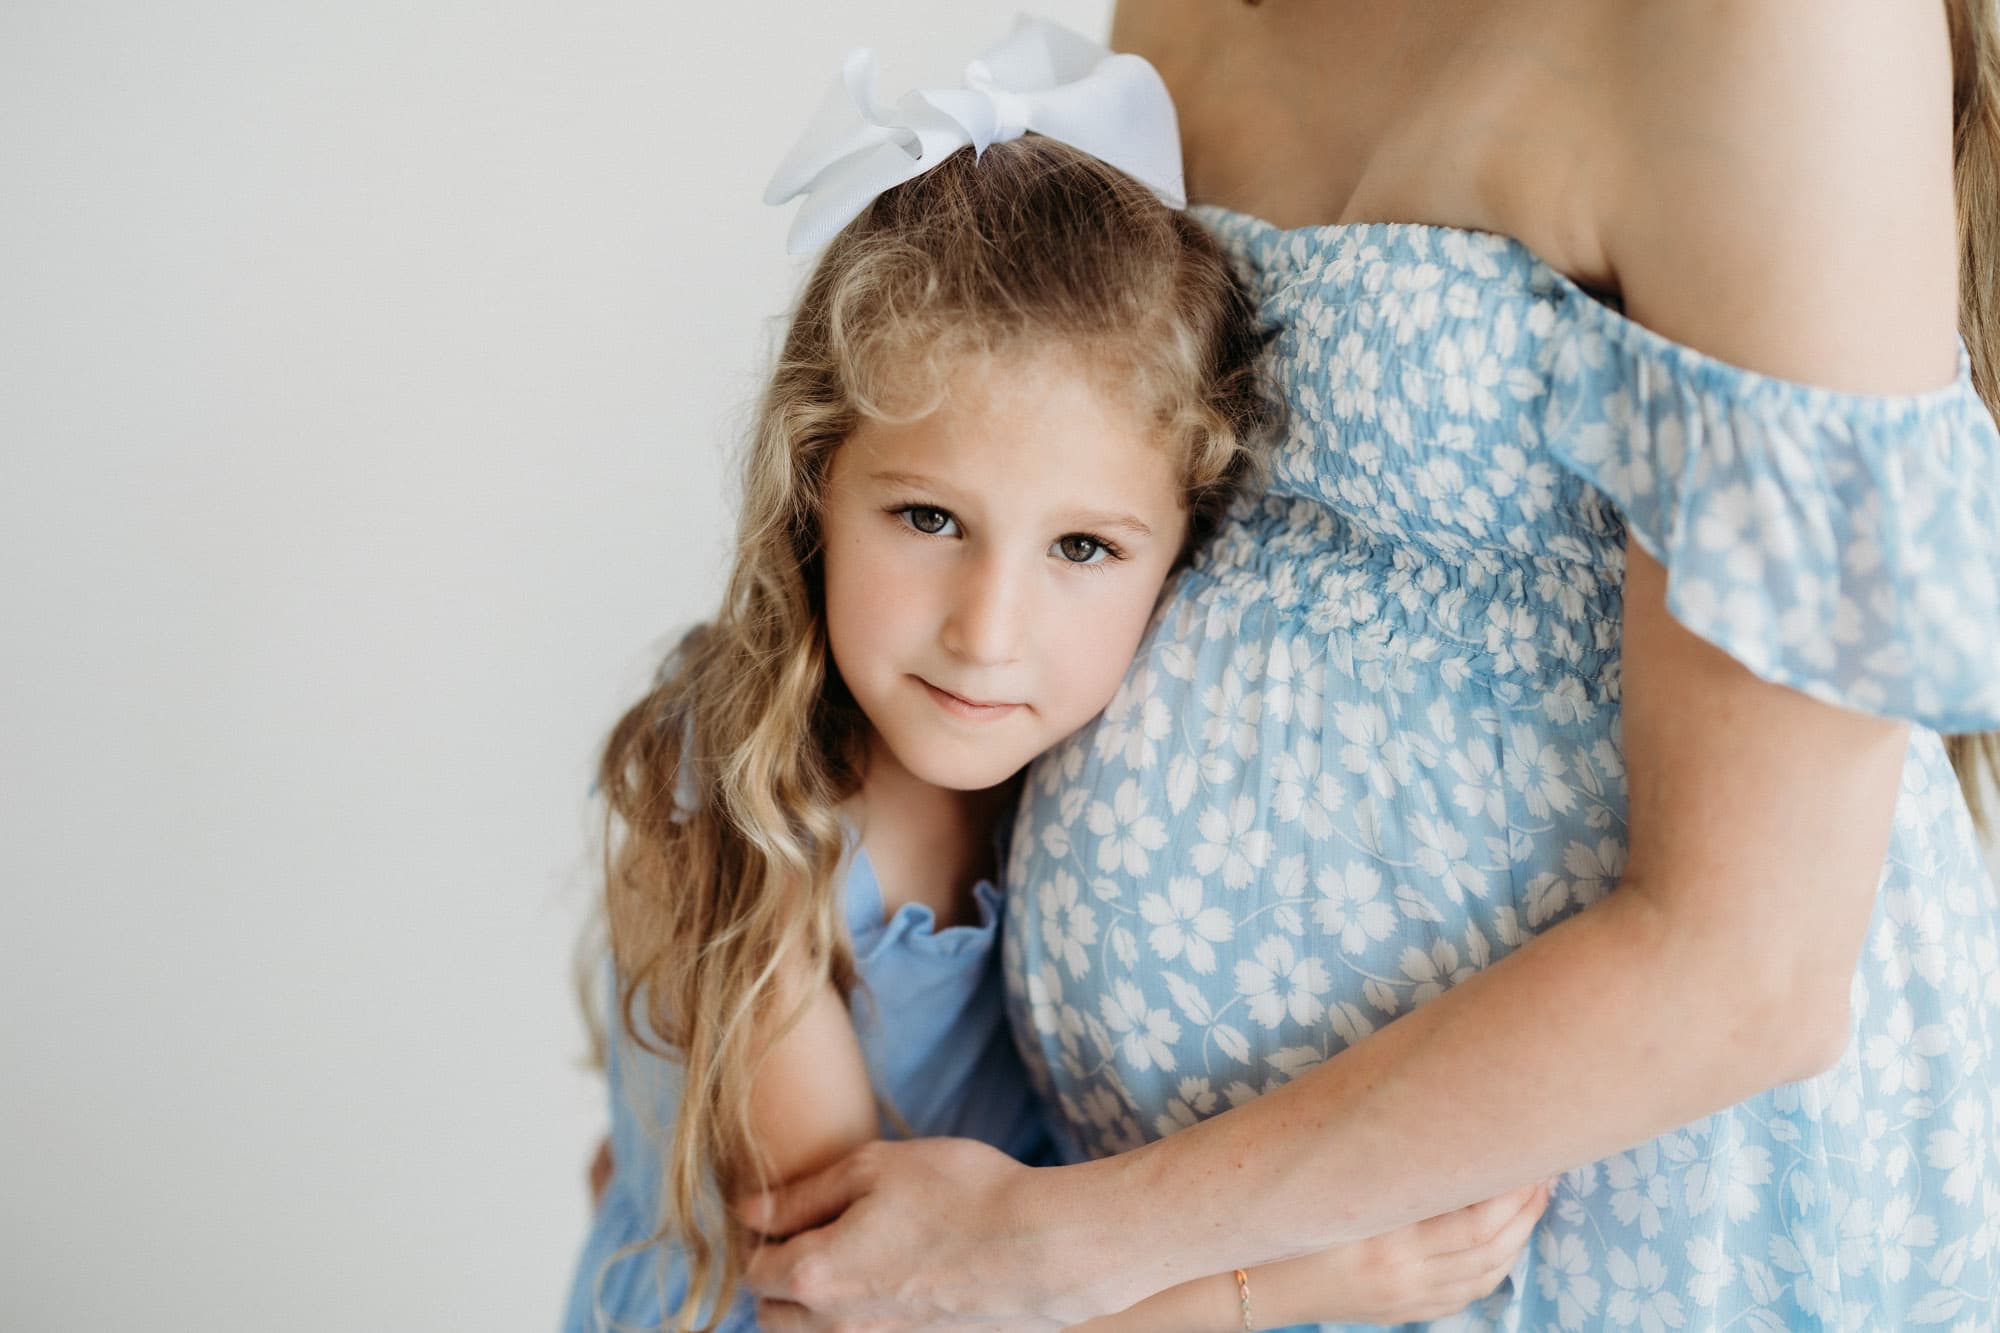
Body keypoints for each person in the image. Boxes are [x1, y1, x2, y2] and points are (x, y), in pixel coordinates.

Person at [742, 2, 2000, 1329]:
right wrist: (734, 1004)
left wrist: (1069, 1245)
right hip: (1163, 1234)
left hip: (1594, 1229)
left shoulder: (1778, 25)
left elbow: (1751, 973)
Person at [563, 24, 1553, 1332]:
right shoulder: (756, 831)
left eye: (1082, 546)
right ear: (814, 483)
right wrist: (1304, 1277)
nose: (988, 629)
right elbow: (853, 1310)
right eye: (926, 519)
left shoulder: (1086, 767)